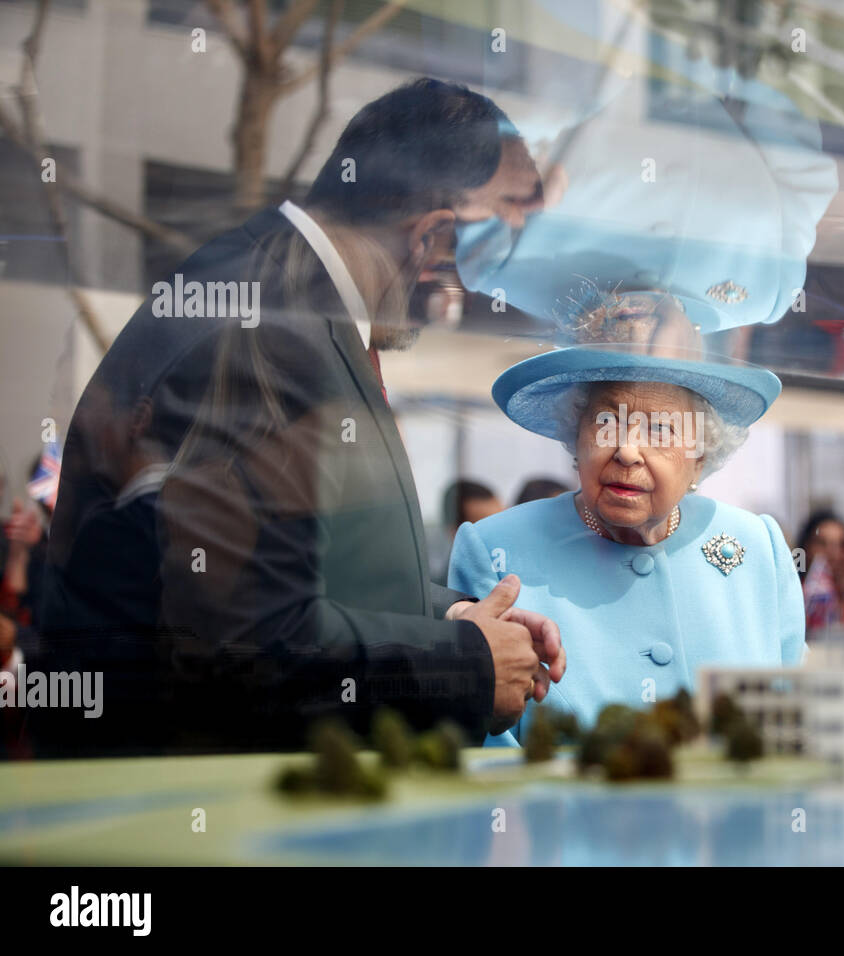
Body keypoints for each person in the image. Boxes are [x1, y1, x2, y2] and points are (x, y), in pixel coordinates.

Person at [39, 78, 563, 755]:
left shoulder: (278, 295)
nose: (479, 285)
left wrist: (455, 617)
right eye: (491, 242)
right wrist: (465, 662)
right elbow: (246, 642)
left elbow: (309, 573)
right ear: (432, 234)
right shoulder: (271, 326)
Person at [448, 304, 805, 743]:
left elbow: (793, 734)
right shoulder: (495, 549)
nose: (628, 451)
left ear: (701, 453)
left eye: (660, 429)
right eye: (607, 422)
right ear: (575, 434)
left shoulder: (758, 548)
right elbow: (487, 762)